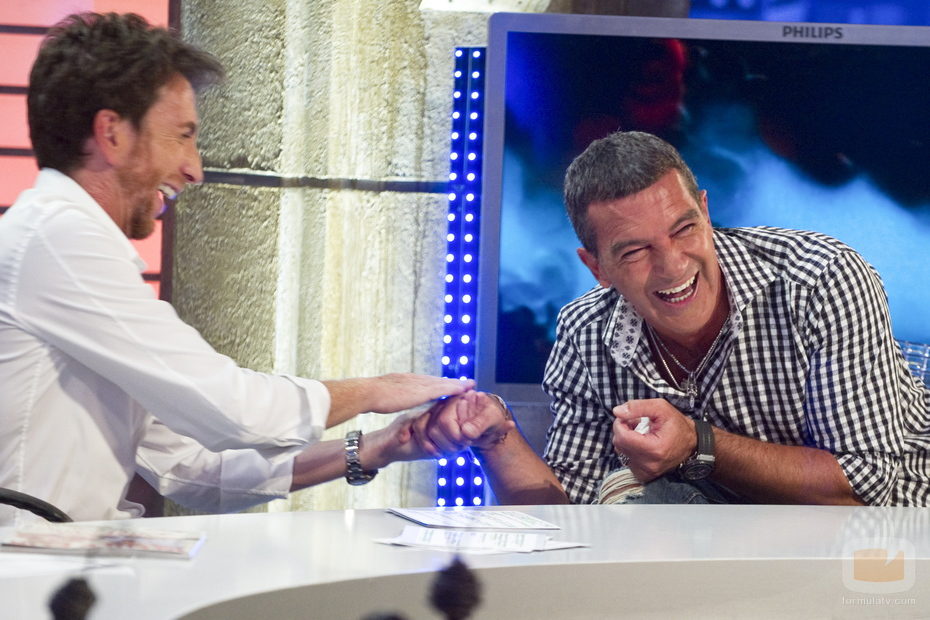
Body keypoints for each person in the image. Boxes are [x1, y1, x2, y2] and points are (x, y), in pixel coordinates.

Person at [0, 12, 473, 524]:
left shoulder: (60, 242)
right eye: (182, 136)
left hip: (69, 562)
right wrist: (372, 391)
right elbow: (234, 411)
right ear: (111, 134)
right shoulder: (59, 239)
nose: (195, 168)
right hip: (30, 566)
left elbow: (193, 468)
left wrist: (382, 446)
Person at [418, 130, 930, 507]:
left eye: (684, 229)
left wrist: (696, 443)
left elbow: (864, 486)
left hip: (891, 540)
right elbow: (571, 518)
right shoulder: (584, 332)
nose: (673, 266)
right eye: (635, 250)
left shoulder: (820, 279)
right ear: (596, 268)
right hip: (727, 548)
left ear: (705, 212)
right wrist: (498, 438)